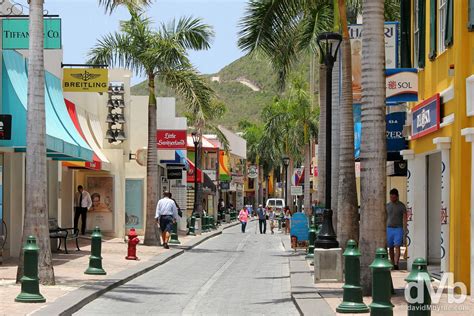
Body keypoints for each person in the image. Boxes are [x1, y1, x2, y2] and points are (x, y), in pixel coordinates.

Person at [386, 188, 407, 270]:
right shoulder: (387, 206)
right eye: (391, 197)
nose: (392, 199)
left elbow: (405, 217)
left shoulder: (402, 206)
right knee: (390, 247)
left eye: (394, 197)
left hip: (398, 228)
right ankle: (392, 262)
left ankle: (396, 263)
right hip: (389, 228)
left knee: (397, 246)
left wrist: (405, 228)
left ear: (397, 196)